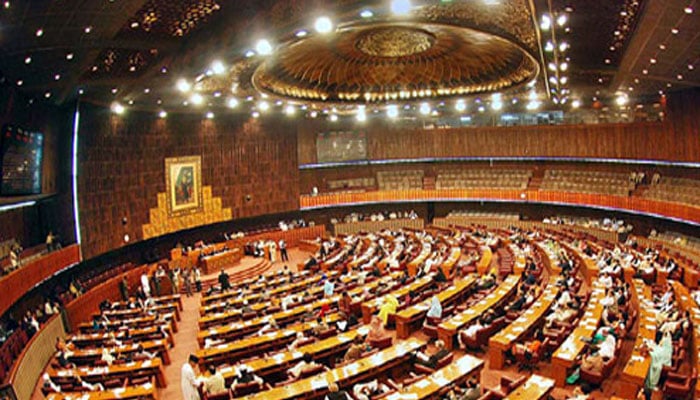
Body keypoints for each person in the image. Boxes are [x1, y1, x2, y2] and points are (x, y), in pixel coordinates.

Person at [643, 333, 673, 399]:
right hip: (660, 358)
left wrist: (649, 351)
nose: (660, 342)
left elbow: (658, 355)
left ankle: (647, 391)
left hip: (663, 364)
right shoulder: (666, 345)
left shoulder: (666, 347)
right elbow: (658, 350)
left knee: (650, 366)